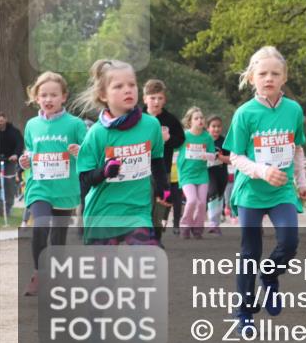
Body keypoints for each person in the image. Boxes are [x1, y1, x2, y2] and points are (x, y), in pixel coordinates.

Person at [224, 46, 306, 336]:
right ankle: (244, 312)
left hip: (282, 190)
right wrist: (262, 171)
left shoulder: (294, 110)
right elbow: (235, 157)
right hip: (251, 191)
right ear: (252, 78)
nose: (269, 78)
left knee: (289, 241)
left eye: (275, 73)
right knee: (250, 252)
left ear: (284, 77)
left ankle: (270, 275)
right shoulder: (244, 114)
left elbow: (297, 148)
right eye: (262, 74)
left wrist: (302, 183)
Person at [75, 60, 165, 246]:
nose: (128, 90)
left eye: (132, 84)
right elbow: (84, 178)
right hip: (103, 214)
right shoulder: (97, 133)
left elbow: (156, 160)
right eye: (118, 86)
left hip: (137, 212)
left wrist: (164, 189)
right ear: (103, 95)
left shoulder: (151, 125)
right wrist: (105, 171)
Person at [18, 72, 87, 296]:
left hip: (65, 189)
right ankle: (39, 273)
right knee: (40, 225)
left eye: (54, 95)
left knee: (58, 236)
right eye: (44, 95)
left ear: (63, 97)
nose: (48, 99)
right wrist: (24, 160)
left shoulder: (75, 124)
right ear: (36, 97)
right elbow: (30, 152)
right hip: (39, 186)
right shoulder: (32, 125)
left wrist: (80, 151)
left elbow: (90, 153)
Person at [142, 79, 185, 239]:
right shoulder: (136, 118)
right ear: (145, 99)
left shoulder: (170, 120)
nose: (156, 102)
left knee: (162, 204)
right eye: (152, 98)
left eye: (159, 98)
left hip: (163, 169)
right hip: (139, 170)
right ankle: (143, 236)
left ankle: (157, 237)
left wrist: (169, 139)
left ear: (164, 100)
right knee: (144, 204)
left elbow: (180, 140)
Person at [177, 107, 215, 239]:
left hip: (202, 174)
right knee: (192, 200)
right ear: (190, 121)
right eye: (196, 118)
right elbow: (172, 146)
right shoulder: (184, 136)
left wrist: (207, 155)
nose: (200, 120)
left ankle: (198, 229)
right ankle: (185, 226)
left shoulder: (207, 137)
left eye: (201, 118)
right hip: (186, 174)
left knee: (202, 203)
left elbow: (213, 155)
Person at [205, 115, 230, 233]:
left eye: (218, 126)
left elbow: (231, 159)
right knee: (213, 193)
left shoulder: (224, 141)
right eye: (213, 126)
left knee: (220, 196)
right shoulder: (204, 139)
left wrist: (220, 157)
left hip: (222, 173)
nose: (216, 129)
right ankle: (212, 222)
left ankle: (216, 222)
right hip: (209, 172)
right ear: (208, 128)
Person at [0, 112, 25, 219]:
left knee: (9, 184)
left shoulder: (14, 131)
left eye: (1, 121)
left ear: (5, 120)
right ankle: (0, 207)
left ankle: (8, 207)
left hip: (10, 161)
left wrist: (16, 154)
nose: (0, 123)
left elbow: (20, 144)